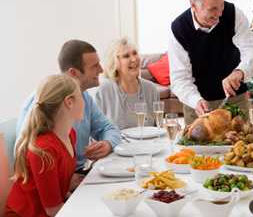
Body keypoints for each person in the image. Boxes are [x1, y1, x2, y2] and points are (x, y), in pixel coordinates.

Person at [168, 0, 253, 125]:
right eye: (213, 9)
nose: (220, 14)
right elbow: (180, 78)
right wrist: (196, 101)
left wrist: (240, 72)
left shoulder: (233, 14)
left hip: (235, 102)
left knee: (242, 146)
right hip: (198, 108)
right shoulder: (178, 29)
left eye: (221, 6)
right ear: (194, 6)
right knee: (196, 149)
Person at [15, 40, 121, 174]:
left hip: (80, 173)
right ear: (73, 72)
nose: (101, 70)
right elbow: (26, 156)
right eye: (94, 66)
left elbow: (108, 128)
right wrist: (65, 180)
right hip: (55, 181)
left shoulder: (84, 97)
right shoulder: (44, 100)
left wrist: (107, 143)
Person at [6, 74, 84, 217]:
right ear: (69, 102)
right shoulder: (44, 149)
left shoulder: (70, 134)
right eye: (81, 96)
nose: (84, 102)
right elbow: (53, 210)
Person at [95, 37, 160, 129]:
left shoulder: (151, 89)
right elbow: (96, 130)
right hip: (116, 143)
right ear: (115, 63)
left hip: (148, 143)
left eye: (135, 53)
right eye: (126, 56)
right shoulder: (104, 90)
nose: (134, 59)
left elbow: (157, 128)